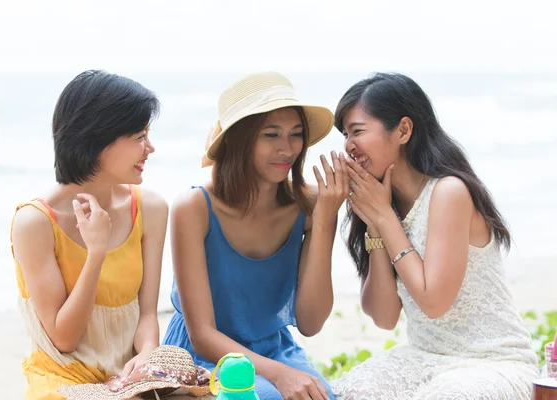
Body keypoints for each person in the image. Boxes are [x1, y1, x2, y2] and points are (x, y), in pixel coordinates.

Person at [330, 72, 539, 399]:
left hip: (492, 361)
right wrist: (374, 224)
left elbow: (433, 301)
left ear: (403, 130)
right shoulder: (384, 206)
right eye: (345, 134)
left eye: (357, 131)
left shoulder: (448, 192)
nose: (348, 145)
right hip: (424, 357)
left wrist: (385, 219)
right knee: (354, 389)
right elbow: (384, 317)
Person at [163, 71, 346, 400]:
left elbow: (311, 322)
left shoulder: (310, 205)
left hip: (274, 350)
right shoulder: (193, 208)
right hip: (208, 357)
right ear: (240, 139)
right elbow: (202, 335)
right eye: (271, 134)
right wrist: (281, 376)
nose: (286, 148)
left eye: (296, 134)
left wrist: (323, 221)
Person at [10, 70, 168, 399]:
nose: (150, 148)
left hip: (126, 377)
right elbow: (64, 339)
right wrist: (96, 252)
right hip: (62, 380)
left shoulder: (150, 207)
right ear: (96, 140)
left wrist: (148, 354)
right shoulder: (35, 222)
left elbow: (148, 312)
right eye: (139, 137)